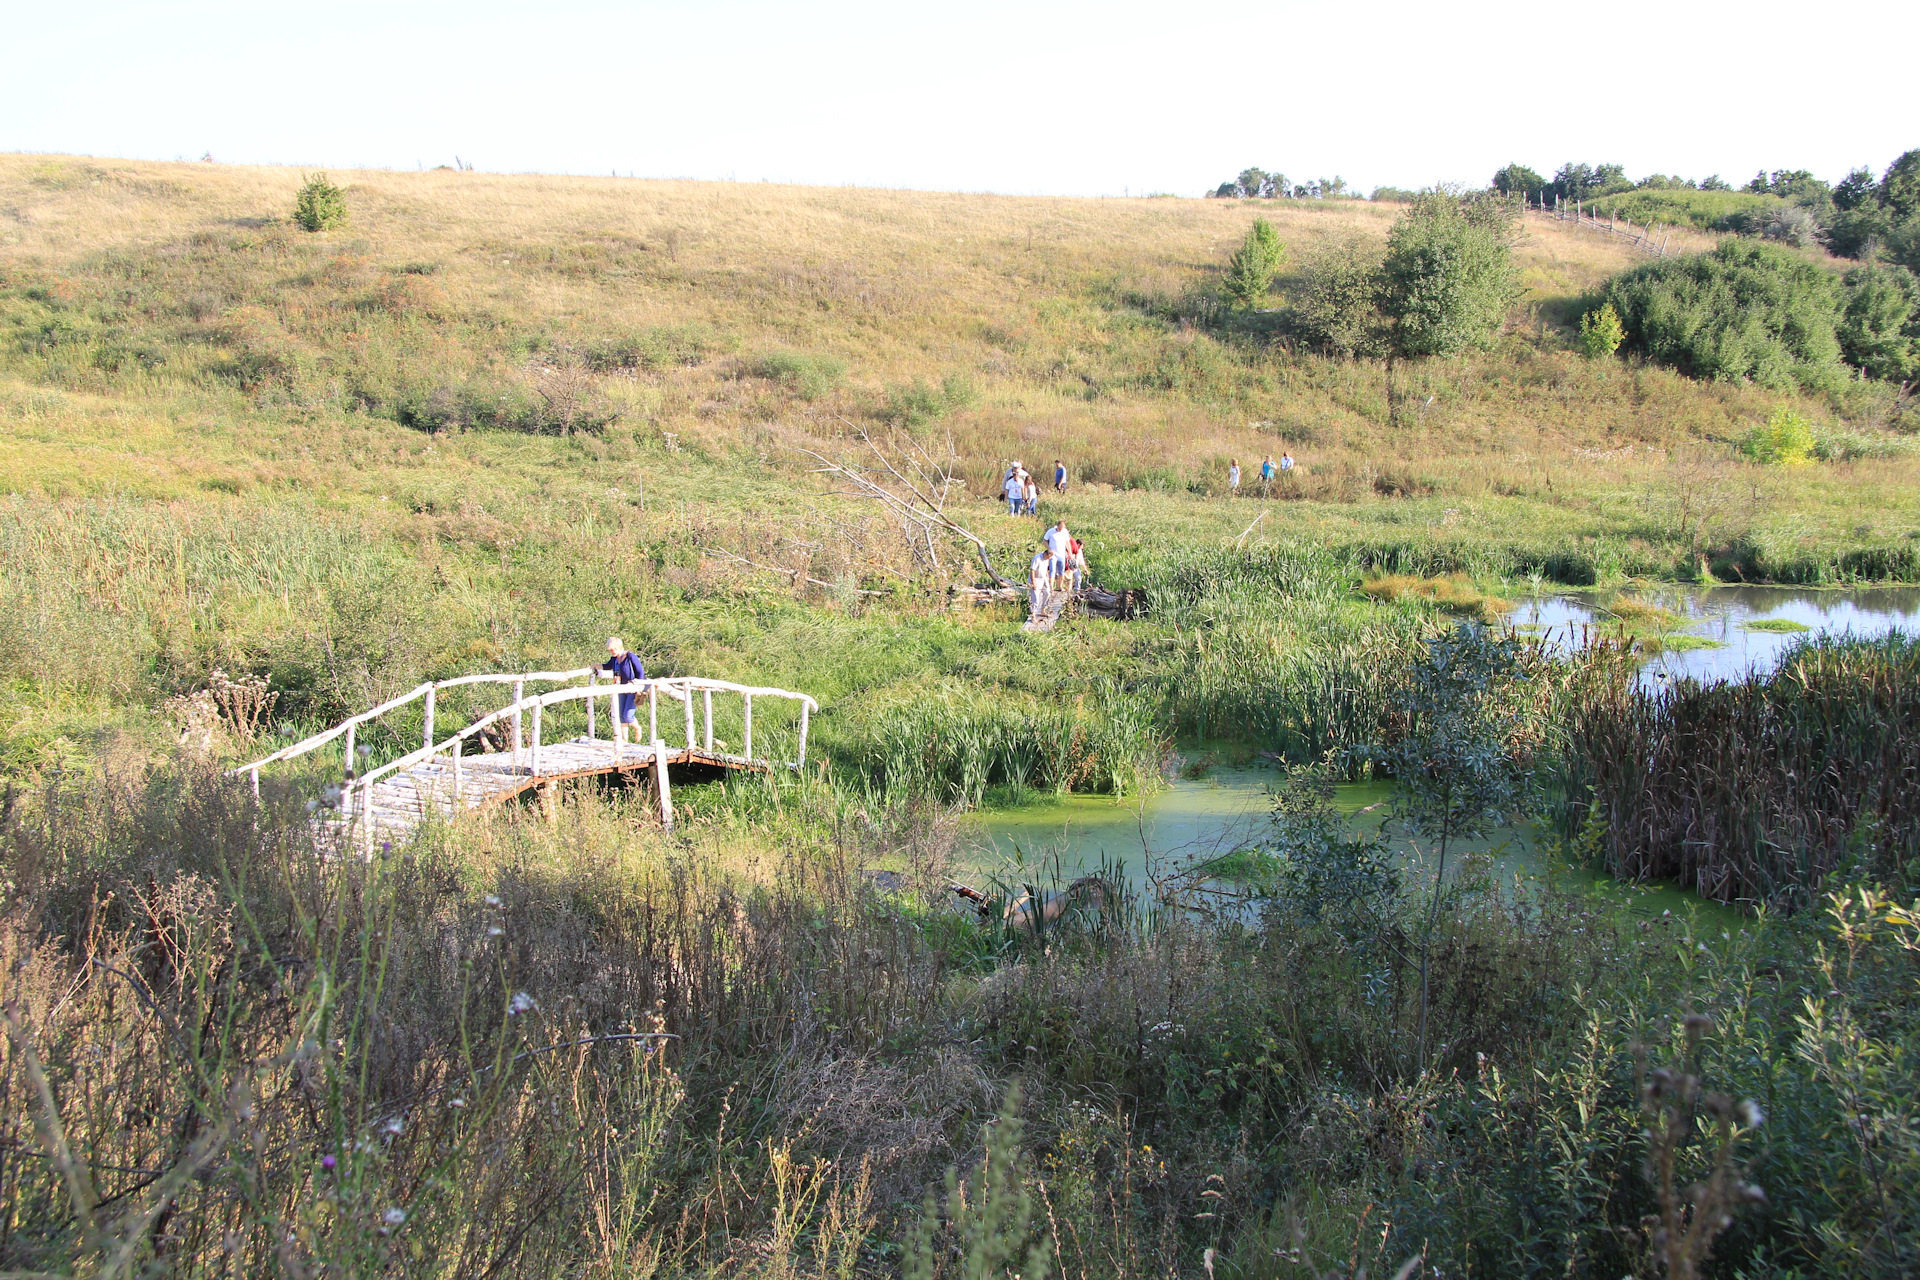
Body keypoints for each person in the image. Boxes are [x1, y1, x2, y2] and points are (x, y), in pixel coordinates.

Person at [600, 636, 648, 748]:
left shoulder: (630, 656)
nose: (611, 652)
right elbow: (607, 666)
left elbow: (640, 672)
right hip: (621, 688)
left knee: (628, 716)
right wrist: (594, 666)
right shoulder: (614, 659)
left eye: (612, 649)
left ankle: (637, 728)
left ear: (618, 647)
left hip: (633, 689)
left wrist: (639, 688)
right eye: (609, 650)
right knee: (621, 716)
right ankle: (625, 740)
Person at [1028, 543, 1054, 617]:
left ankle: (1043, 610)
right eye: (1048, 557)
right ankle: (1033, 614)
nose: (1049, 559)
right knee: (1036, 597)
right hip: (1036, 579)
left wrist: (1047, 578)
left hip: (1043, 579)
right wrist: (1033, 583)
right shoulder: (1037, 558)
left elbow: (1046, 569)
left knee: (1047, 593)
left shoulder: (1047, 559)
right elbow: (1032, 570)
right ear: (1046, 554)